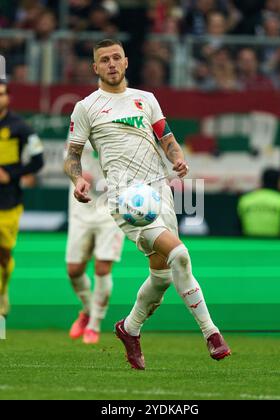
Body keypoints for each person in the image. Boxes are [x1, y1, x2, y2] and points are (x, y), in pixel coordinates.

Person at [64, 39, 231, 370]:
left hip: (160, 193)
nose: (111, 64)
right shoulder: (87, 107)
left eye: (116, 58)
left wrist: (179, 157)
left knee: (164, 275)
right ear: (94, 68)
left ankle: (129, 328)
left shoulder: (146, 100)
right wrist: (77, 179)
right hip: (127, 199)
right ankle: (211, 333)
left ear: (126, 62)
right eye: (103, 60)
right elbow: (72, 155)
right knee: (180, 253)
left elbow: (167, 139)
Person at [66, 141, 125, 344]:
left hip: (112, 206)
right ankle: (88, 310)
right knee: (74, 270)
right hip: (80, 205)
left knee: (102, 267)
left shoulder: (123, 120)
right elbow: (69, 158)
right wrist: (78, 176)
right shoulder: (81, 114)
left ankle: (94, 325)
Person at [0, 80, 44, 316]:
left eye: (1, 94)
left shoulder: (20, 127)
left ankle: (2, 290)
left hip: (8, 202)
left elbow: (38, 161)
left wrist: (10, 174)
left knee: (4, 255)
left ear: (8, 98)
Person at [237, 168, 280, 238]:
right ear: (278, 182)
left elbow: (237, 229)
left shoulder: (245, 200)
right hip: (275, 246)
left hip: (248, 246)